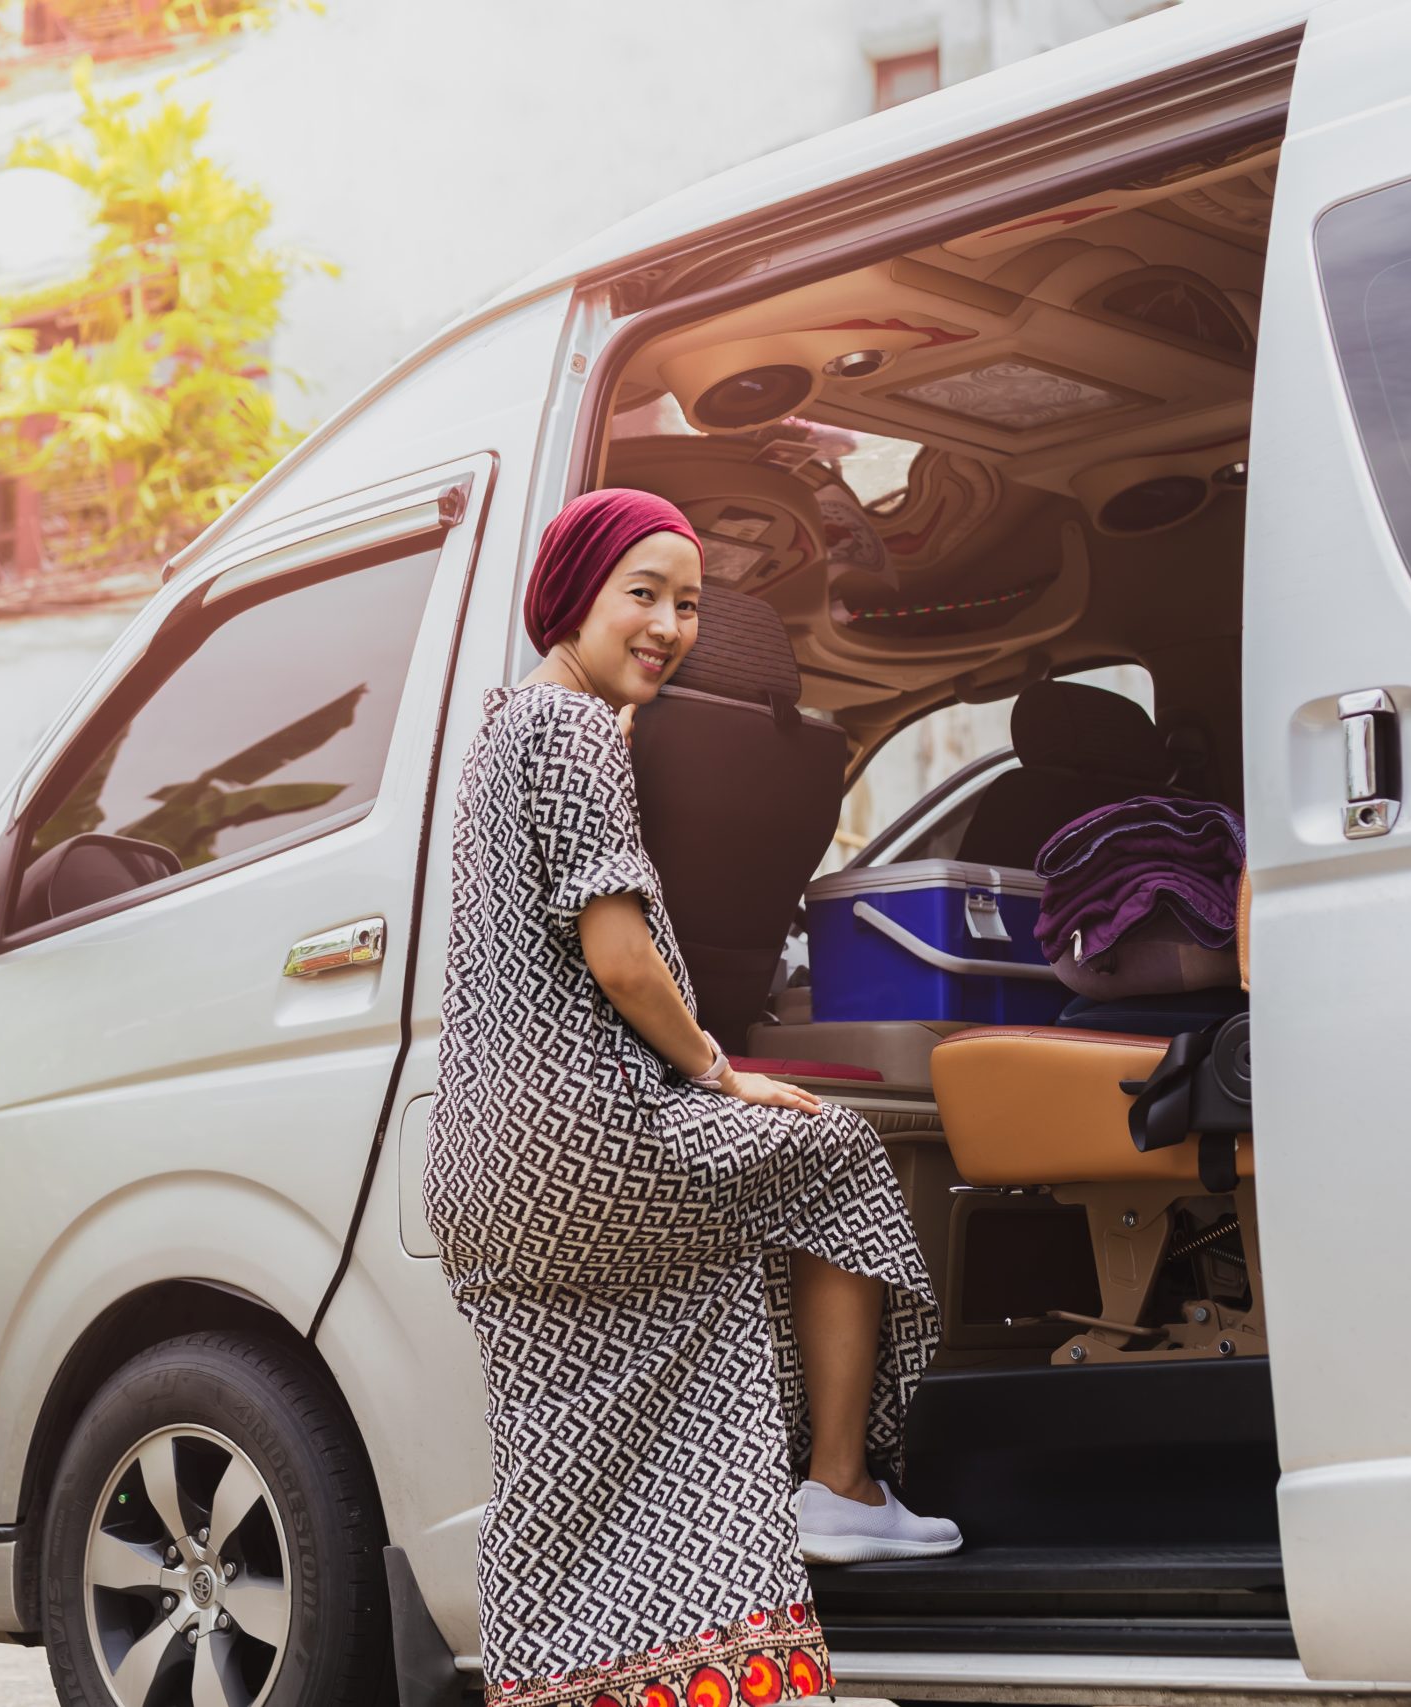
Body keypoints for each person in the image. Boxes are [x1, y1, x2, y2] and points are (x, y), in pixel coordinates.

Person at [426, 488, 960, 1707]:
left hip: (484, 1167)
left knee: (568, 1444)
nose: (669, 626)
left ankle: (588, 1671)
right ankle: (839, 1485)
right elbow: (619, 958)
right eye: (643, 595)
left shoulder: (505, 729)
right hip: (594, 1134)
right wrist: (721, 1072)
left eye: (688, 604)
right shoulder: (575, 734)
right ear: (572, 595)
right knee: (835, 1152)